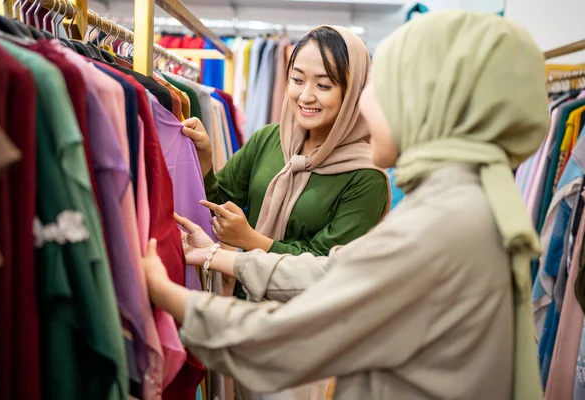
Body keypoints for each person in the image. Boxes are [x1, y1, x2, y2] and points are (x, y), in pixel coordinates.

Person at [145, 10, 549, 400]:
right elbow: (332, 270)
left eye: (384, 88)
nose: (366, 104)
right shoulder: (465, 204)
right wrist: (219, 255)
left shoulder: (446, 222)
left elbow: (291, 328)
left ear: (432, 105)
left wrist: (168, 294)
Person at [181, 26, 391, 293]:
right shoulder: (269, 139)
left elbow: (327, 267)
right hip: (244, 306)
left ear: (352, 92)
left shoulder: (366, 177)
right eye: (297, 79)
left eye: (323, 85)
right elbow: (218, 207)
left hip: (309, 321)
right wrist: (206, 162)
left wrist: (251, 239)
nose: (305, 96)